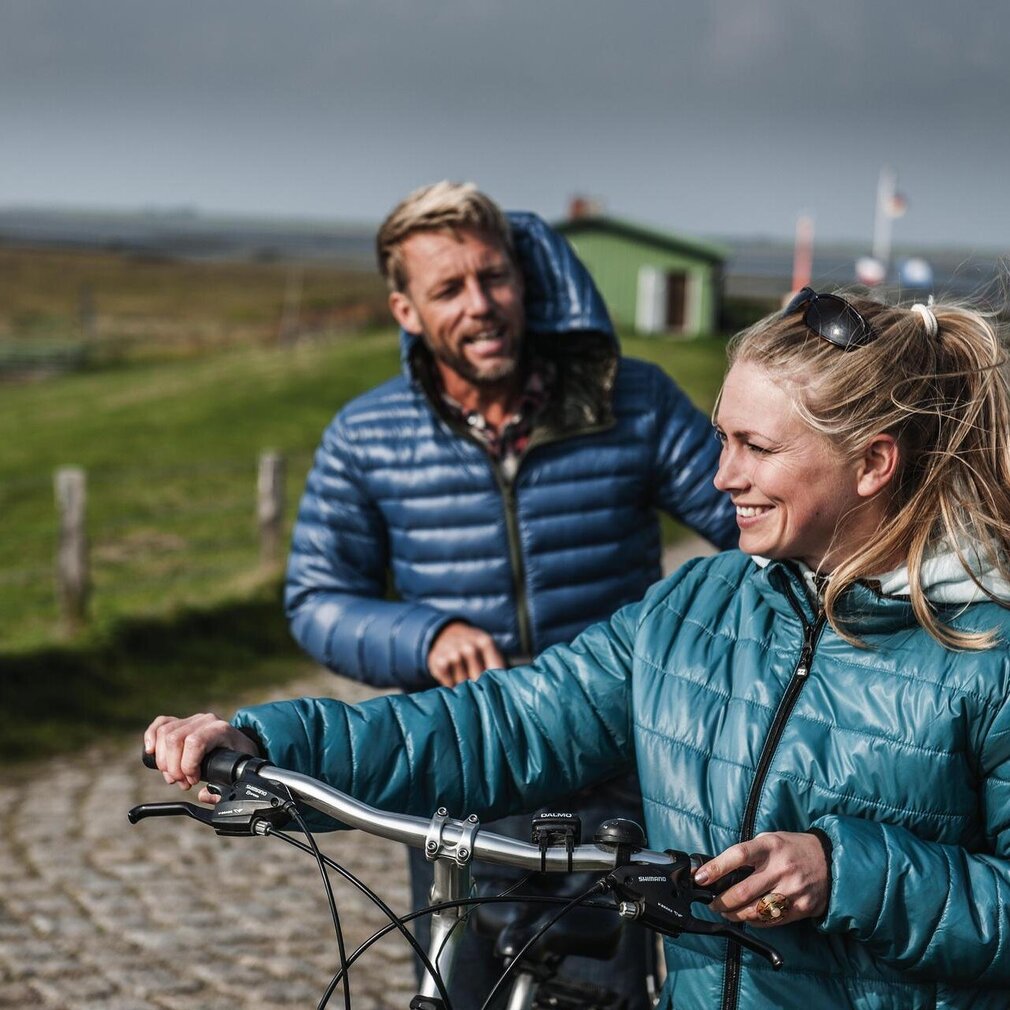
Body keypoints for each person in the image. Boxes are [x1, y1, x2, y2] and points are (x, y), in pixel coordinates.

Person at [150, 288, 1010, 1008]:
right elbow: (503, 726)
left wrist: (849, 874)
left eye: (756, 447)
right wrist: (272, 745)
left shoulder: (989, 654)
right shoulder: (693, 607)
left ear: (872, 463)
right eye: (721, 438)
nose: (721, 476)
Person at [275, 182, 739, 1007]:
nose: (481, 305)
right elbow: (316, 597)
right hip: (459, 769)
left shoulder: (633, 401)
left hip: (614, 765)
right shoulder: (366, 434)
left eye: (494, 277)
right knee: (459, 988)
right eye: (448, 288)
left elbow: (755, 526)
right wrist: (425, 636)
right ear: (406, 310)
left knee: (602, 989)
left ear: (526, 282)